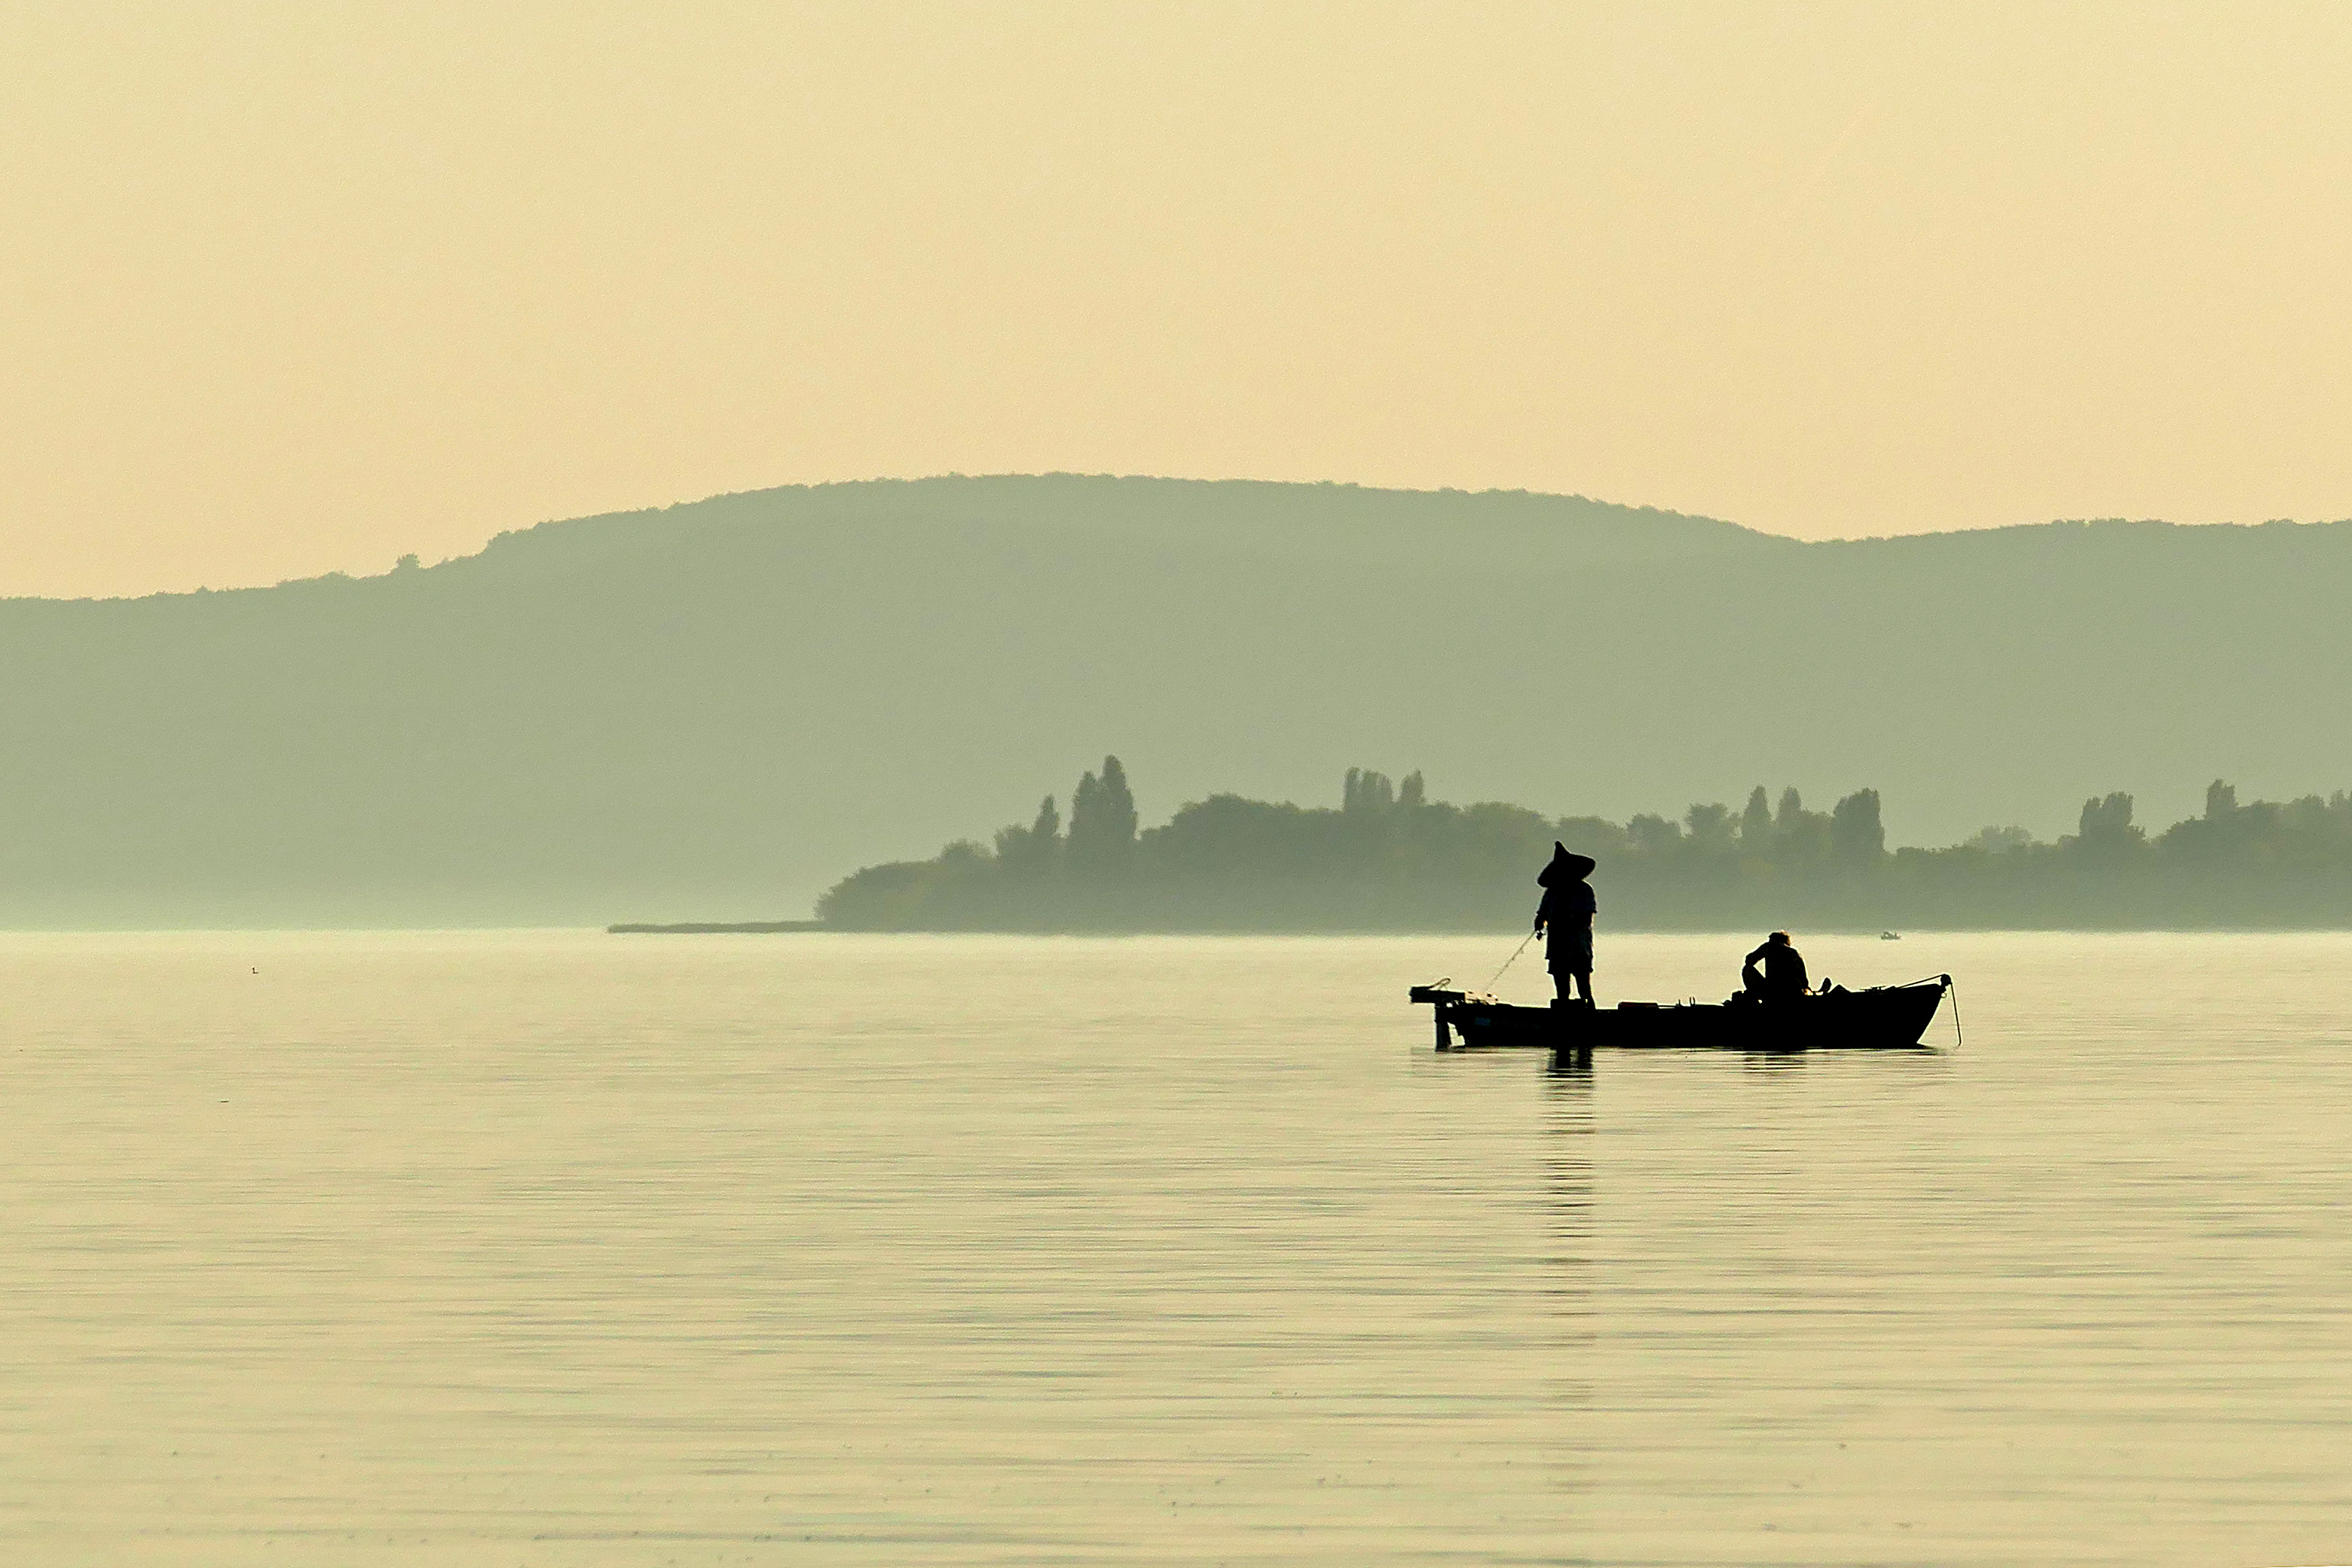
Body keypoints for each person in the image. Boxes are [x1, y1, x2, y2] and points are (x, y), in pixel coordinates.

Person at [1534, 842, 1597, 1005]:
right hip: (1557, 944)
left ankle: (1589, 1009)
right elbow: (1541, 916)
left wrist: (1566, 924)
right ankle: (1563, 1009)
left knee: (1583, 984)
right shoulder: (1551, 892)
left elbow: (1586, 918)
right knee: (1561, 984)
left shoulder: (1584, 890)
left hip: (1579, 945)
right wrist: (1539, 924)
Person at [1740, 931, 1809, 1002]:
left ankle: (1755, 994)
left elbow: (1749, 960)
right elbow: (1803, 977)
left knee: (1747, 969)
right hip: (1793, 990)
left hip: (1772, 989)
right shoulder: (1794, 953)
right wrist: (1805, 988)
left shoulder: (1768, 947)